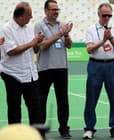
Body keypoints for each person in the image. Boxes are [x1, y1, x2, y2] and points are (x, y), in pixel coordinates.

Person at [83, 2, 114, 139]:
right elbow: (89, 49)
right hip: (95, 65)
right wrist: (103, 40)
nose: (107, 18)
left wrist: (111, 37)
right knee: (91, 98)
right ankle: (89, 128)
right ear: (98, 14)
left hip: (112, 65)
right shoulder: (90, 29)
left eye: (109, 15)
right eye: (104, 15)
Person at [34, 0, 73, 139]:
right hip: (45, 68)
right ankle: (40, 131)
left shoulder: (62, 25)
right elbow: (41, 46)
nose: (56, 12)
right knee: (41, 100)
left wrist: (67, 35)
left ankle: (64, 129)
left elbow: (69, 46)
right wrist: (59, 34)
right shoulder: (39, 25)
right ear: (46, 11)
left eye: (57, 9)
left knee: (63, 100)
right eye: (53, 9)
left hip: (61, 67)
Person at [0, 2, 43, 124]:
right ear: (20, 16)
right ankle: (15, 136)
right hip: (13, 74)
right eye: (29, 15)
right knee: (14, 109)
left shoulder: (30, 27)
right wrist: (33, 42)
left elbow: (34, 49)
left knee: (36, 108)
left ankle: (36, 135)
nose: (31, 17)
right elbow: (11, 51)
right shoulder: (6, 29)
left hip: (30, 73)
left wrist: (37, 44)